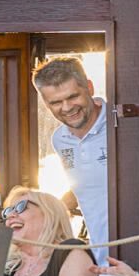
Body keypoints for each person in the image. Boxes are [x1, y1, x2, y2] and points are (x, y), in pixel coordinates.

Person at [32, 57, 109, 264]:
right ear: (45, 103)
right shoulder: (60, 139)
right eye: (56, 102)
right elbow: (87, 185)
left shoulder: (119, 124)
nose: (67, 108)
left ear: (89, 88)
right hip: (103, 260)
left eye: (73, 97)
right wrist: (49, 212)